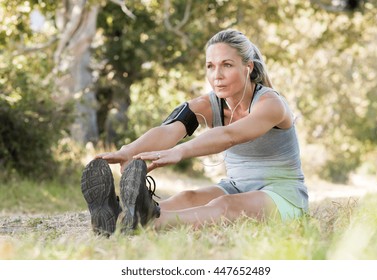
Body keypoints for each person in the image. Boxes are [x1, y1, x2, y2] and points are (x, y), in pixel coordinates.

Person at [81, 29, 309, 236]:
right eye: (210, 66)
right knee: (187, 198)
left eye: (227, 65)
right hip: (236, 186)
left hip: (282, 195)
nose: (216, 75)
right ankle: (117, 217)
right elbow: (170, 130)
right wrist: (128, 151)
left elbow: (229, 136)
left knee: (223, 207)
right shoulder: (207, 104)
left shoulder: (271, 104)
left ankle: (146, 221)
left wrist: (181, 152)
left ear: (247, 67)